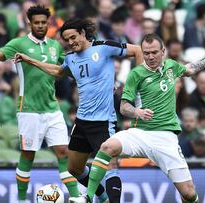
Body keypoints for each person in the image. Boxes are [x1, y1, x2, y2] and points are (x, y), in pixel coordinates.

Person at [69, 33, 205, 203]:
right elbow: (124, 107)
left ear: (163, 51)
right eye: (146, 53)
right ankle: (88, 196)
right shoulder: (136, 74)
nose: (150, 57)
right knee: (107, 146)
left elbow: (190, 69)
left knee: (189, 194)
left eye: (154, 52)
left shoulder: (171, 66)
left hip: (165, 138)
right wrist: (137, 112)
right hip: (140, 133)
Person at [0, 5, 81, 202]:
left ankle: (76, 197)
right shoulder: (19, 43)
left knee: (63, 152)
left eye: (43, 22)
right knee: (28, 154)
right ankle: (22, 199)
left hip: (52, 108)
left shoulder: (54, 46)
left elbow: (66, 68)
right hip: (29, 109)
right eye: (37, 22)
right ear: (29, 23)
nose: (40, 26)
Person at [14, 18, 143, 203]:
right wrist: (30, 60)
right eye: (67, 40)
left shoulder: (104, 47)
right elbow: (58, 72)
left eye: (73, 37)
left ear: (83, 33)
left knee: (110, 164)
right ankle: (103, 197)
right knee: (74, 169)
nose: (71, 42)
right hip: (82, 121)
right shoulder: (71, 58)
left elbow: (137, 51)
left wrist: (134, 91)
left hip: (103, 120)